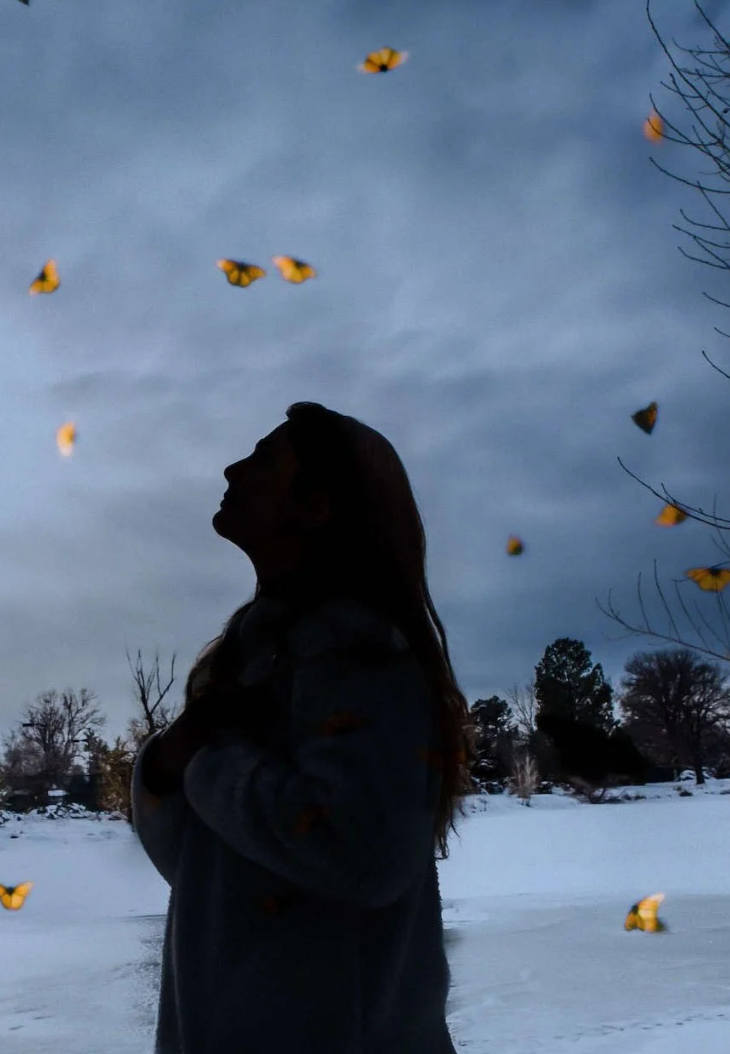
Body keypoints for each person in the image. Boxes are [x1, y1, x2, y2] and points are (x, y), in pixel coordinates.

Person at [130, 401, 474, 1053]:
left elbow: (361, 853)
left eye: (263, 459)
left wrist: (204, 763)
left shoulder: (362, 658)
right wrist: (166, 768)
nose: (232, 469)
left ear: (316, 506)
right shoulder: (248, 660)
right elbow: (204, 874)